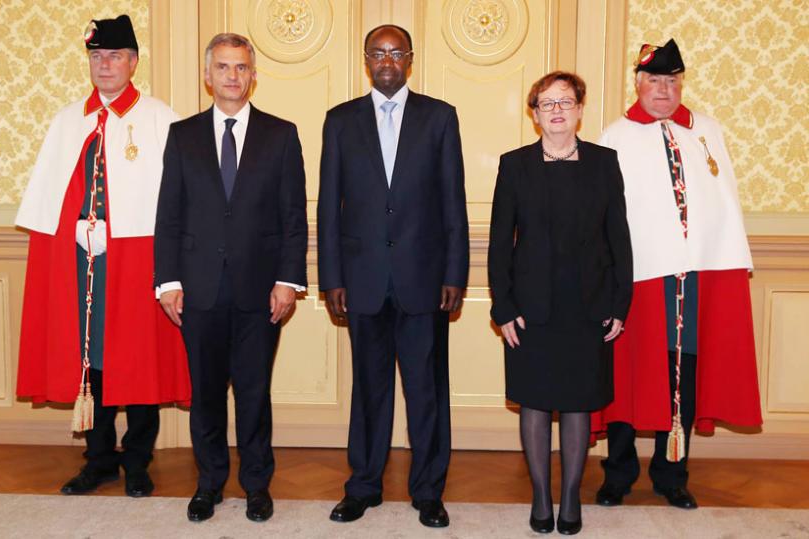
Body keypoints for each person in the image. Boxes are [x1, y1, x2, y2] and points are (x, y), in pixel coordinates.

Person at [14, 14, 190, 498]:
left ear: (133, 62)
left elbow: (176, 196)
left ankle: (137, 460)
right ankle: (98, 459)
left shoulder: (158, 117)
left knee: (138, 357)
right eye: (96, 57)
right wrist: (74, 228)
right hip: (80, 262)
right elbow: (54, 193)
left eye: (114, 56)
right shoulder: (68, 120)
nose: (105, 65)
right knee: (89, 361)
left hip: (137, 260)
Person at [593, 39, 762, 510]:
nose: (663, 90)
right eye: (654, 80)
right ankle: (619, 473)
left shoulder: (706, 130)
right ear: (638, 84)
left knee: (680, 375)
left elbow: (721, 201)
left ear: (681, 83)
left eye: (672, 81)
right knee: (628, 376)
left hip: (694, 278)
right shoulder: (615, 136)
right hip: (640, 278)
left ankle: (672, 474)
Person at [317, 24, 469, 529]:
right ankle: (363, 487)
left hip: (424, 280)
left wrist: (456, 272)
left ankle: (428, 492)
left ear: (410, 58)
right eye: (378, 53)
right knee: (369, 389)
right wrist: (331, 277)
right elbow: (329, 208)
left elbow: (453, 203)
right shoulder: (339, 121)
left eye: (396, 52)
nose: (387, 60)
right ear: (366, 59)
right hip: (360, 280)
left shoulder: (439, 117)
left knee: (427, 391)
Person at [154, 33, 307, 523]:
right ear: (208, 75)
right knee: (206, 394)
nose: (232, 76)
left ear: (253, 75)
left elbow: (293, 218)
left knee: (254, 392)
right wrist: (168, 281)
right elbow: (169, 216)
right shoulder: (183, 136)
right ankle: (209, 484)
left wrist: (289, 280)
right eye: (223, 67)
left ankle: (257, 485)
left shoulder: (281, 135)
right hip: (197, 290)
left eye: (241, 67)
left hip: (261, 291)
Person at [488, 71, 633, 535]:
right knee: (533, 404)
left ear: (579, 110)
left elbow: (619, 240)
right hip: (531, 310)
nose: (556, 110)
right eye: (546, 103)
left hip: (588, 307)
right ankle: (540, 496)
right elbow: (498, 246)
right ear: (534, 114)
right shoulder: (515, 165)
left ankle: (570, 496)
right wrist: (503, 308)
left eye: (565, 102)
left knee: (576, 405)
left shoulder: (604, 163)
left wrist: (619, 302)